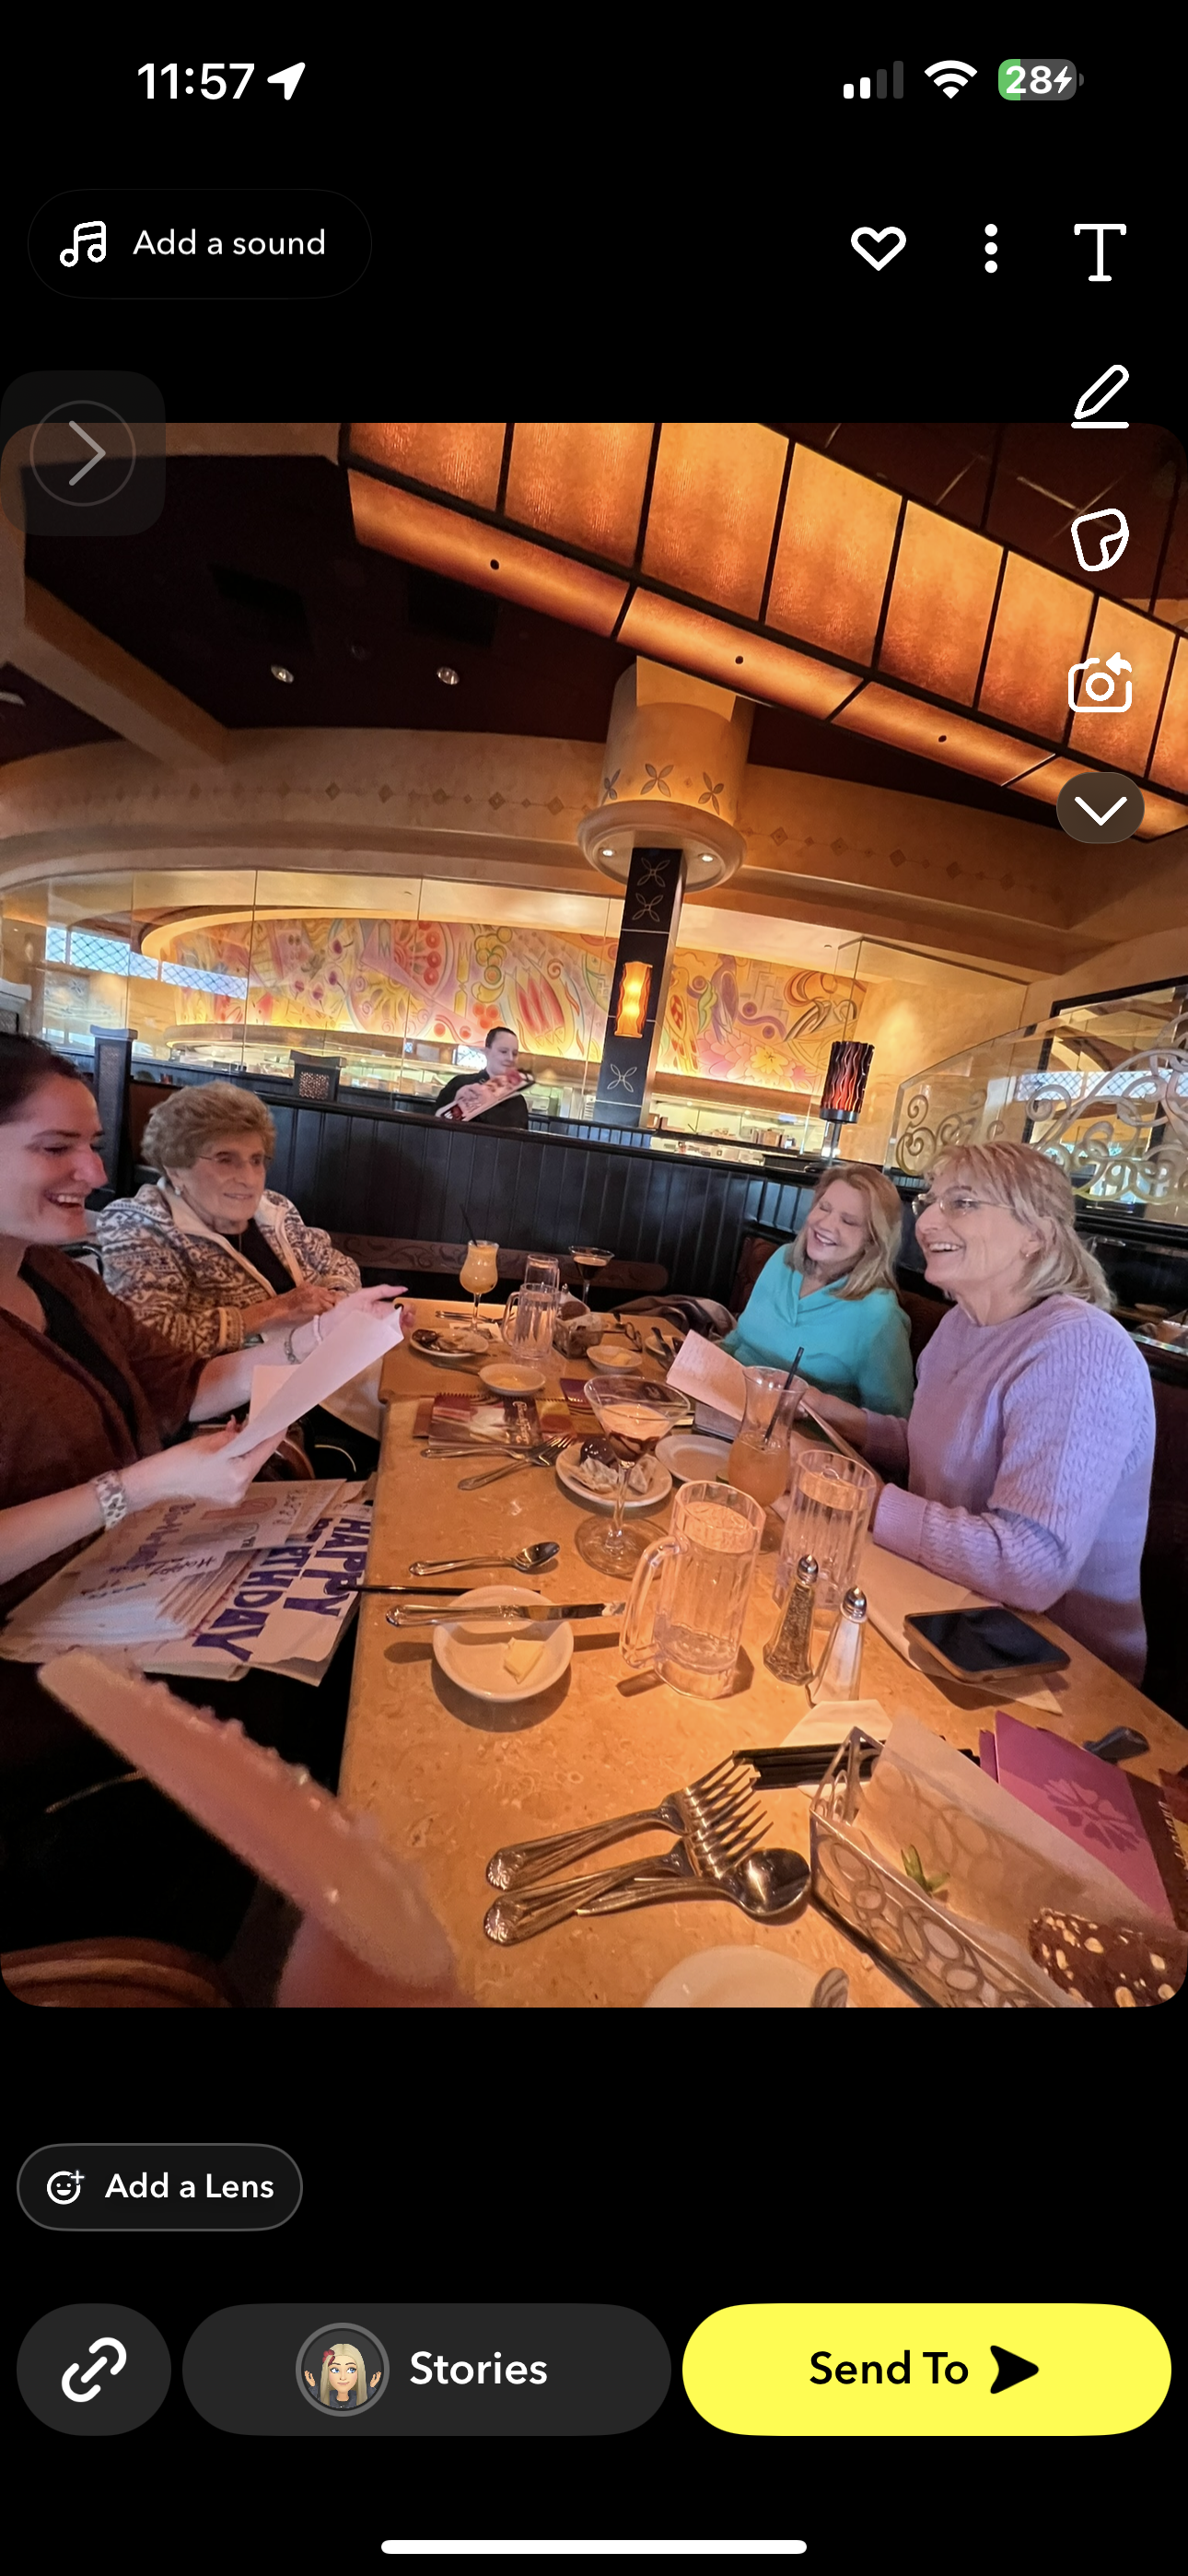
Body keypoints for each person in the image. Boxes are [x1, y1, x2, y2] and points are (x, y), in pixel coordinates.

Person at [0, 1034, 403, 1951]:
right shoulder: (108, 1246)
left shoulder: (54, 1279)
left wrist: (319, 1340)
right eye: (56, 1147)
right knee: (306, 1691)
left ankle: (319, 1904)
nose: (93, 1171)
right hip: (39, 1684)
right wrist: (138, 1485)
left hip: (122, 1586)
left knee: (359, 1614)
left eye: (91, 1145)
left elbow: (183, 1382)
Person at [790, 1140, 1156, 1683]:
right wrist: (834, 1414)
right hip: (943, 1609)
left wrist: (859, 1502)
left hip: (1055, 1671)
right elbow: (941, 1446)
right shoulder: (961, 1324)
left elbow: (1031, 1566)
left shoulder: (1081, 1349)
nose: (926, 1222)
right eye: (930, 1202)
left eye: (961, 1203)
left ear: (1036, 1234)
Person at [97, 1081, 377, 1476]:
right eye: (225, 1159)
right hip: (249, 1416)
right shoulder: (142, 1226)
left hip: (328, 1374)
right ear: (176, 1167)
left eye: (256, 1160)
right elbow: (149, 1338)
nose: (248, 1178)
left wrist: (337, 1299)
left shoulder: (273, 1209)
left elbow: (337, 1264)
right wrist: (272, 1311)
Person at [721, 1164, 914, 1416]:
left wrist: (819, 1406)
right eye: (824, 1207)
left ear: (873, 1240)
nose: (825, 1224)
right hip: (723, 1399)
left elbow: (891, 1426)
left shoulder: (880, 1317)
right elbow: (740, 1338)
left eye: (848, 1221)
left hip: (791, 1434)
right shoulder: (783, 1259)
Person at [431, 1025, 533, 1129]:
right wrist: (456, 1102)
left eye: (514, 1054)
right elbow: (432, 1126)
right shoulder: (460, 1084)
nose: (510, 1058)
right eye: (503, 1051)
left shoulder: (518, 1101)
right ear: (487, 1052)